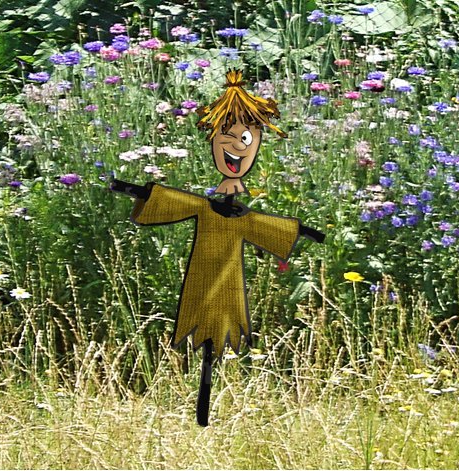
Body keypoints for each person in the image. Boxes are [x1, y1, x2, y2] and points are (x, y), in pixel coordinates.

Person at [110, 70, 324, 426]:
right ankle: (201, 415)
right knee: (206, 333)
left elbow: (262, 227)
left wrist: (300, 231)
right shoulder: (206, 206)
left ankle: (205, 414)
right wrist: (138, 192)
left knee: (219, 333)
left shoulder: (241, 215)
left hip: (227, 282)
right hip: (203, 278)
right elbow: (177, 203)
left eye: (246, 138)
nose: (236, 147)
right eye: (226, 136)